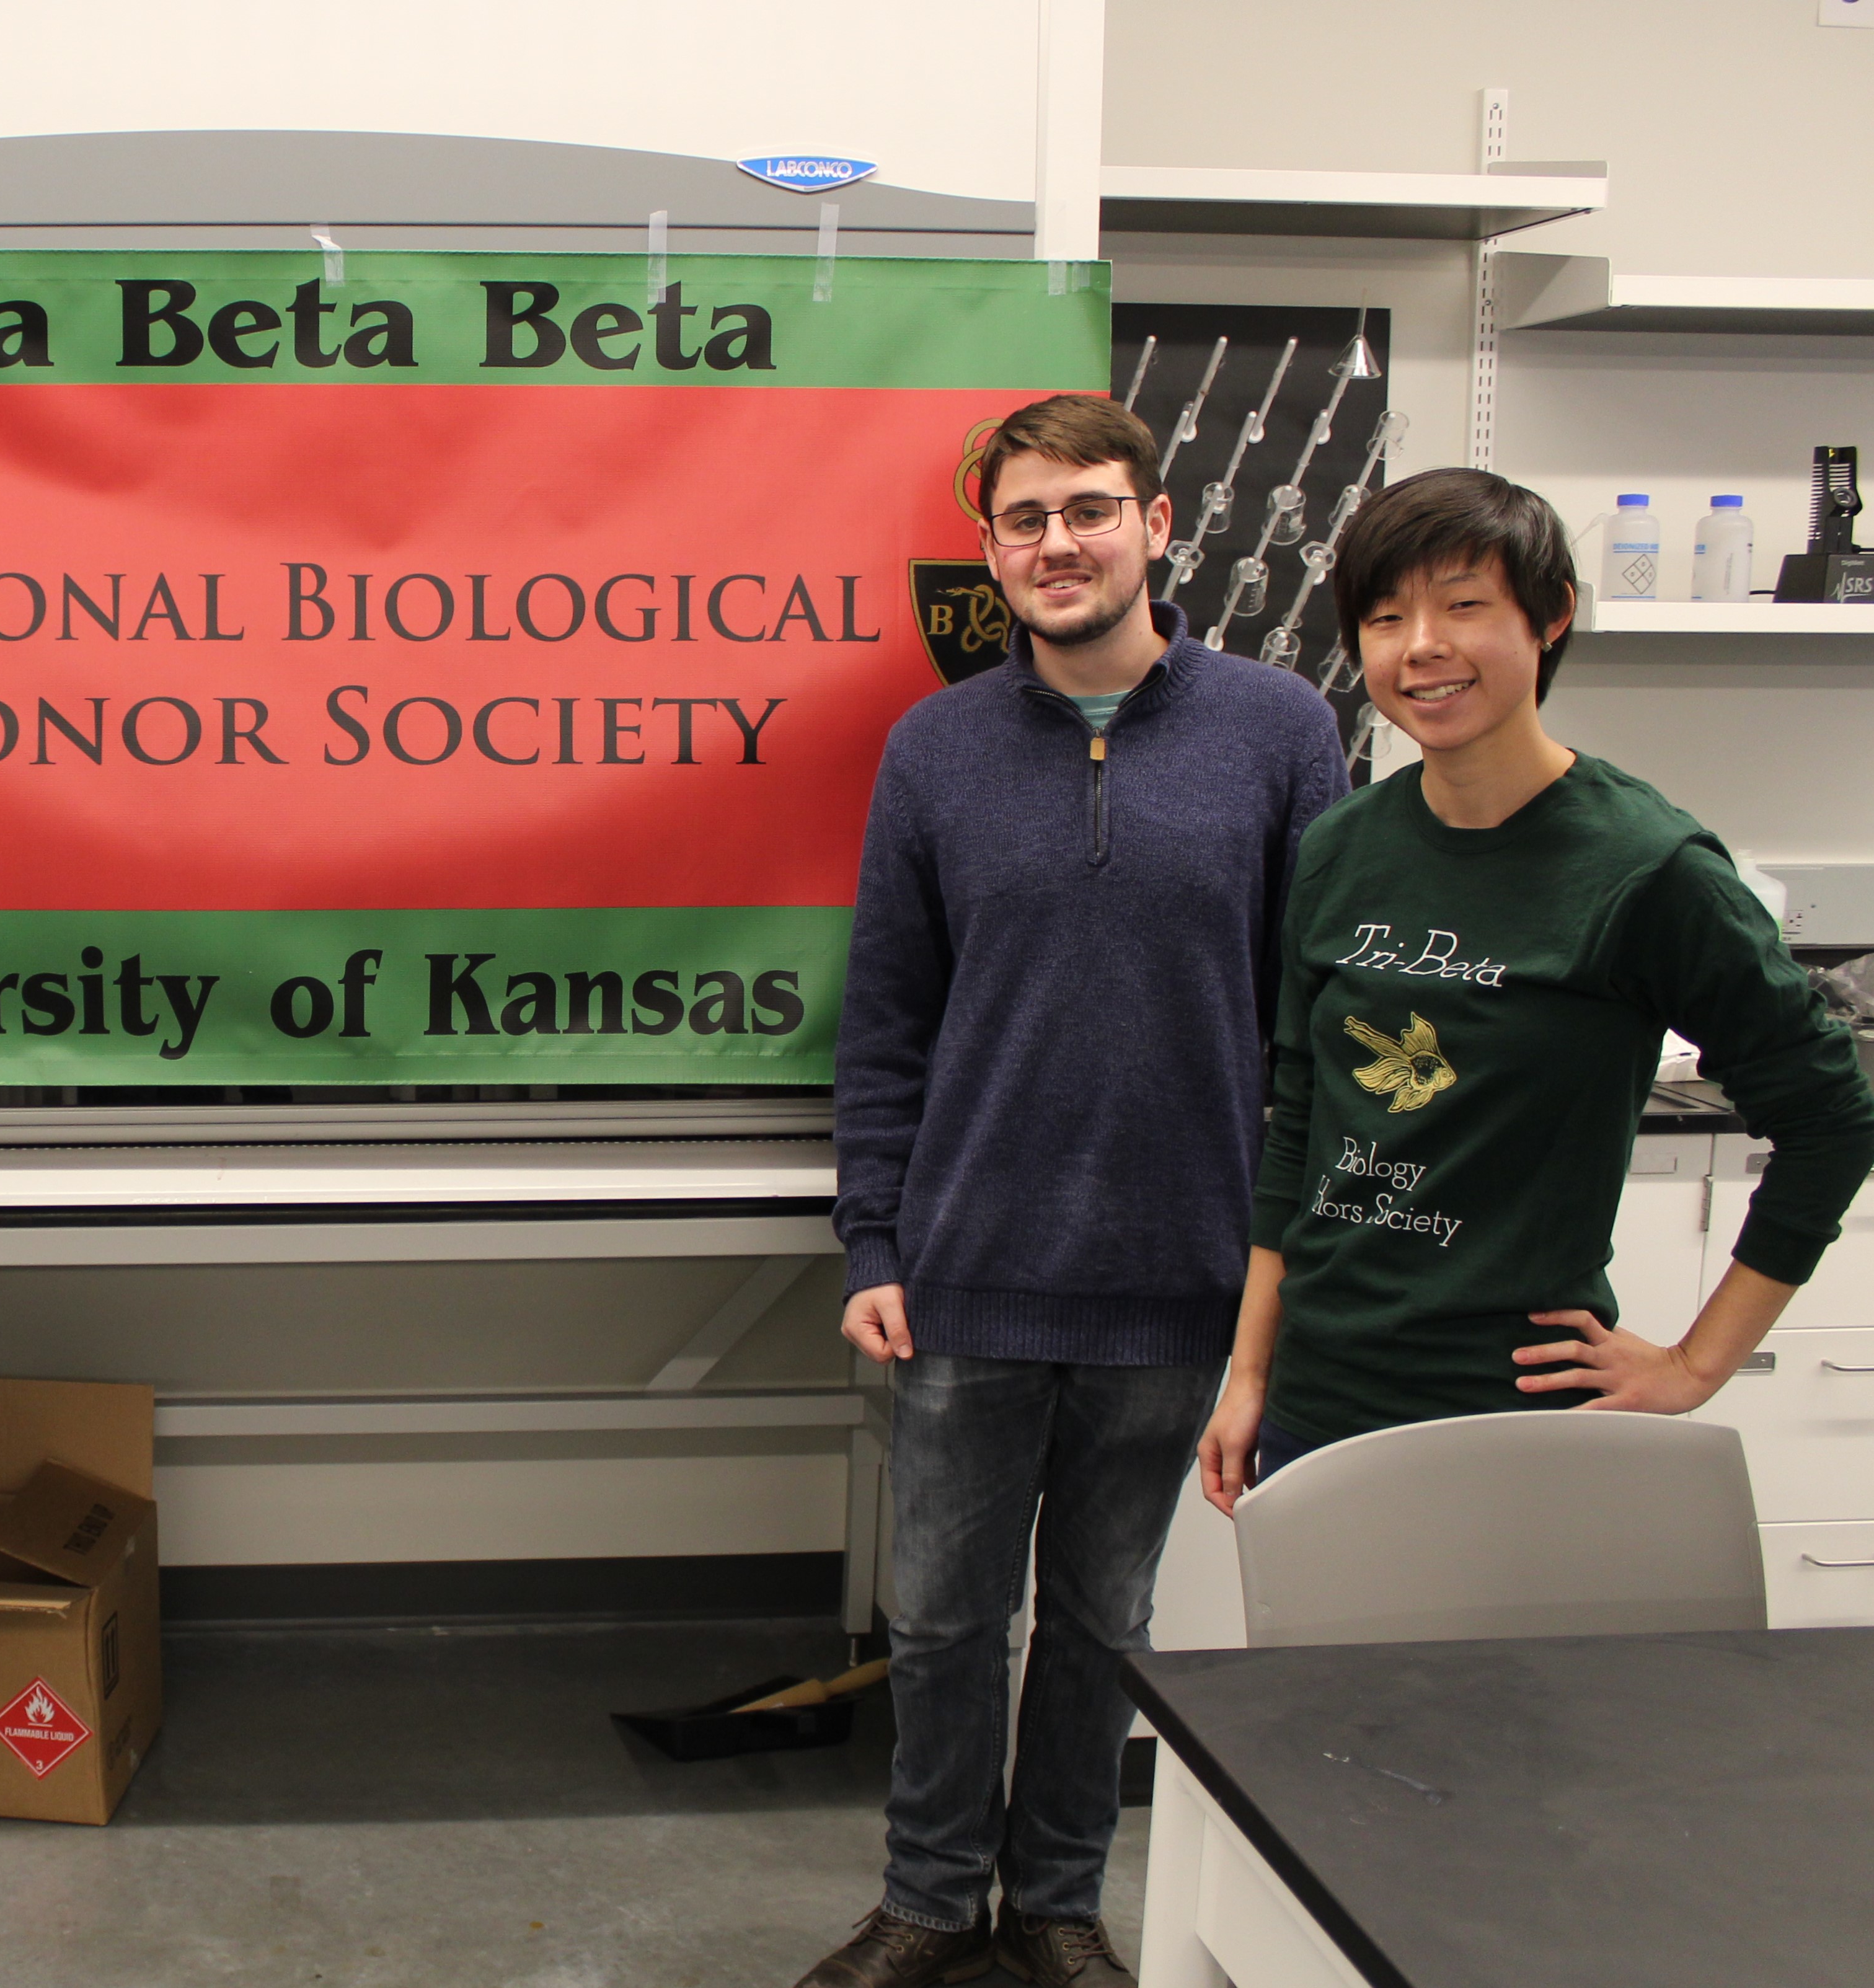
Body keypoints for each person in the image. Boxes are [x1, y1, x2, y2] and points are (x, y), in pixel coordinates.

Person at [801, 395, 1348, 1988]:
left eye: (1091, 510)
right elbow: (888, 1019)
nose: (1060, 544)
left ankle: (1054, 1902)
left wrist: (1272, 1264)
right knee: (946, 1619)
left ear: (1157, 527)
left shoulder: (1279, 732)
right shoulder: (936, 748)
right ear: (990, 553)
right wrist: (873, 1236)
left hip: (1180, 1274)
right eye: (1027, 520)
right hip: (968, 1270)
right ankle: (925, 1895)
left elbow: (1307, 1023)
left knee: (1106, 1620)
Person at [1198, 467, 1874, 1502]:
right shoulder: (1341, 848)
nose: (1422, 644)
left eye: (1465, 605)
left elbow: (1833, 1117)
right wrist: (1251, 1373)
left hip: (1512, 1412)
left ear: (1551, 617)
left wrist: (1696, 1367)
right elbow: (1298, 1127)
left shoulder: (1648, 870)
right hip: (1319, 1405)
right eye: (1386, 617)